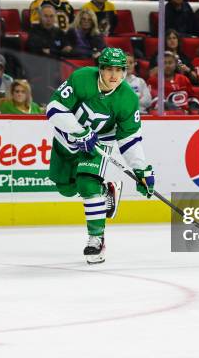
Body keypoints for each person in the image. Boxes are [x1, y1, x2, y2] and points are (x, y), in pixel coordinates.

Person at [45, 47, 154, 264]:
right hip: (66, 140)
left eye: (119, 70)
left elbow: (130, 139)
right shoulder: (81, 78)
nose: (114, 75)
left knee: (87, 185)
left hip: (98, 145)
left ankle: (96, 239)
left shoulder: (128, 99)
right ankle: (106, 191)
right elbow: (54, 108)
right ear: (100, 69)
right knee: (65, 189)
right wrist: (79, 132)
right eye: (109, 69)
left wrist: (140, 169)